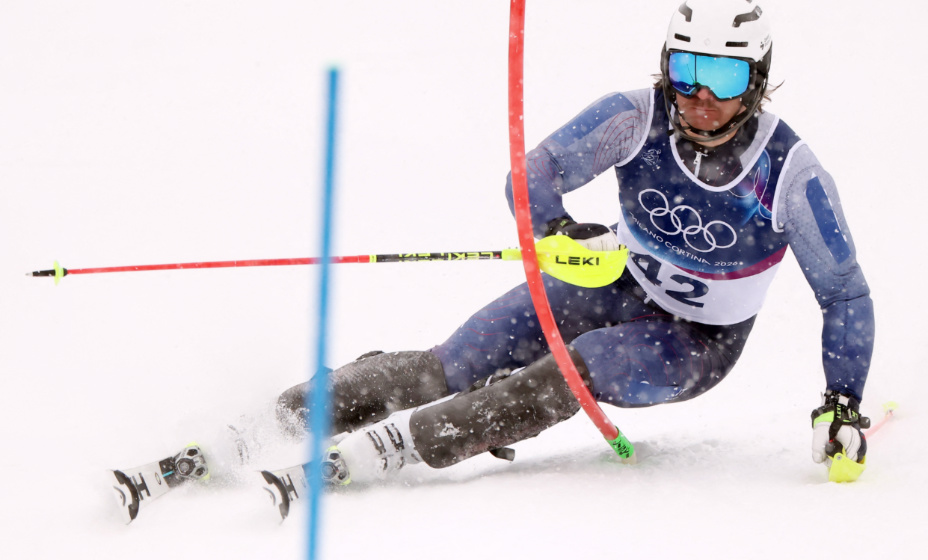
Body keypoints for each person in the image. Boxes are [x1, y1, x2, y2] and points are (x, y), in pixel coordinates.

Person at [273, 0, 874, 485]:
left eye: (724, 75)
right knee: (454, 362)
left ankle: (399, 446)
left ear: (758, 81)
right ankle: (282, 415)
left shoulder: (790, 173)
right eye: (686, 70)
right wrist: (556, 231)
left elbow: (844, 295)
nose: (700, 96)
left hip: (694, 341)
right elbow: (534, 173)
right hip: (612, 284)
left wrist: (841, 402)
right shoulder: (636, 118)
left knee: (570, 371)